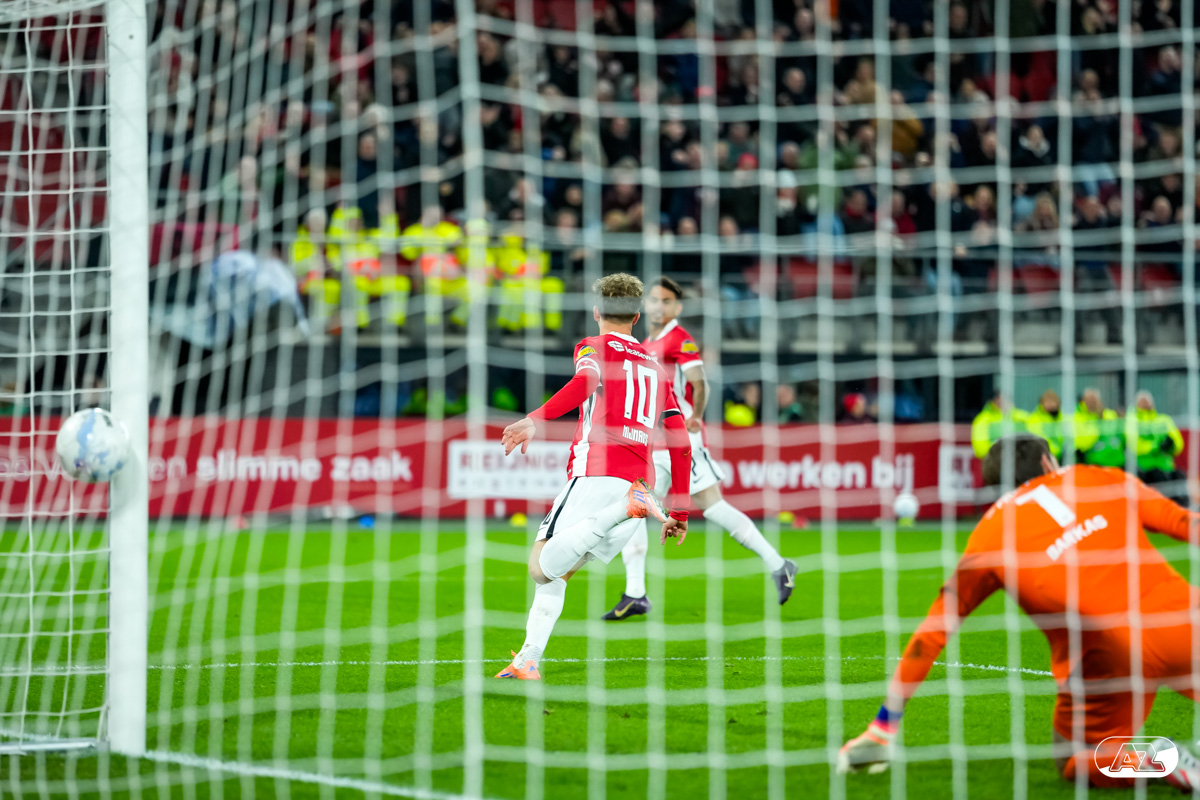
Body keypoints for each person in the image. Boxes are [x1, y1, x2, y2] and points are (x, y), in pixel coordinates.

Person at [838, 434, 1200, 790]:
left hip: (1109, 657)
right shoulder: (1099, 476)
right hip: (1184, 619)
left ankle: (1157, 760)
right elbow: (1186, 524)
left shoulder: (990, 533)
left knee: (1074, 758)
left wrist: (883, 728)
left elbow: (932, 633)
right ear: (1046, 462)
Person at [495, 274, 692, 680]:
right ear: (636, 316)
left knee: (541, 567)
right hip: (640, 482)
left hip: (597, 474)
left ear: (597, 311)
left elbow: (585, 381)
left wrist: (535, 419)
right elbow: (681, 443)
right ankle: (528, 659)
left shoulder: (593, 346)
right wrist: (682, 511)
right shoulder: (658, 369)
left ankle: (623, 509)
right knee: (558, 574)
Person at [603, 278, 797, 621]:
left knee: (710, 506)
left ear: (677, 307)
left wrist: (695, 417)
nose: (659, 306)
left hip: (681, 440)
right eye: (654, 300)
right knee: (635, 508)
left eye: (666, 301)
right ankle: (635, 593)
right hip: (656, 442)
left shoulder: (680, 339)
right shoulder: (646, 343)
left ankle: (779, 564)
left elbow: (699, 381)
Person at [1132, 390, 1186, 502]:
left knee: (1180, 476)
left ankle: (1183, 507)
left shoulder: (1164, 420)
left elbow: (1178, 443)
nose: (1145, 403)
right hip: (1144, 468)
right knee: (1158, 476)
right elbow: (1135, 446)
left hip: (1166, 467)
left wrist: (1171, 445)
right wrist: (1157, 447)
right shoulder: (1133, 421)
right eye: (1142, 401)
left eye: (1147, 401)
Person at [1074, 388, 1124, 468]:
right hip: (1095, 462)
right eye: (1089, 400)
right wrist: (1097, 425)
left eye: (1095, 401)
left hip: (1117, 461)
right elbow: (1082, 443)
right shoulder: (1078, 416)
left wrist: (1101, 415)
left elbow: (1117, 432)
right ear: (1083, 401)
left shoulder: (1108, 414)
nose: (1092, 404)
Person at [970, 391, 1028, 459]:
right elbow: (980, 450)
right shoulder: (983, 419)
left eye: (1005, 398)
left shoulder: (1022, 417)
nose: (1001, 401)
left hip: (1021, 460)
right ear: (992, 401)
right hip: (994, 461)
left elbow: (1032, 442)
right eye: (998, 398)